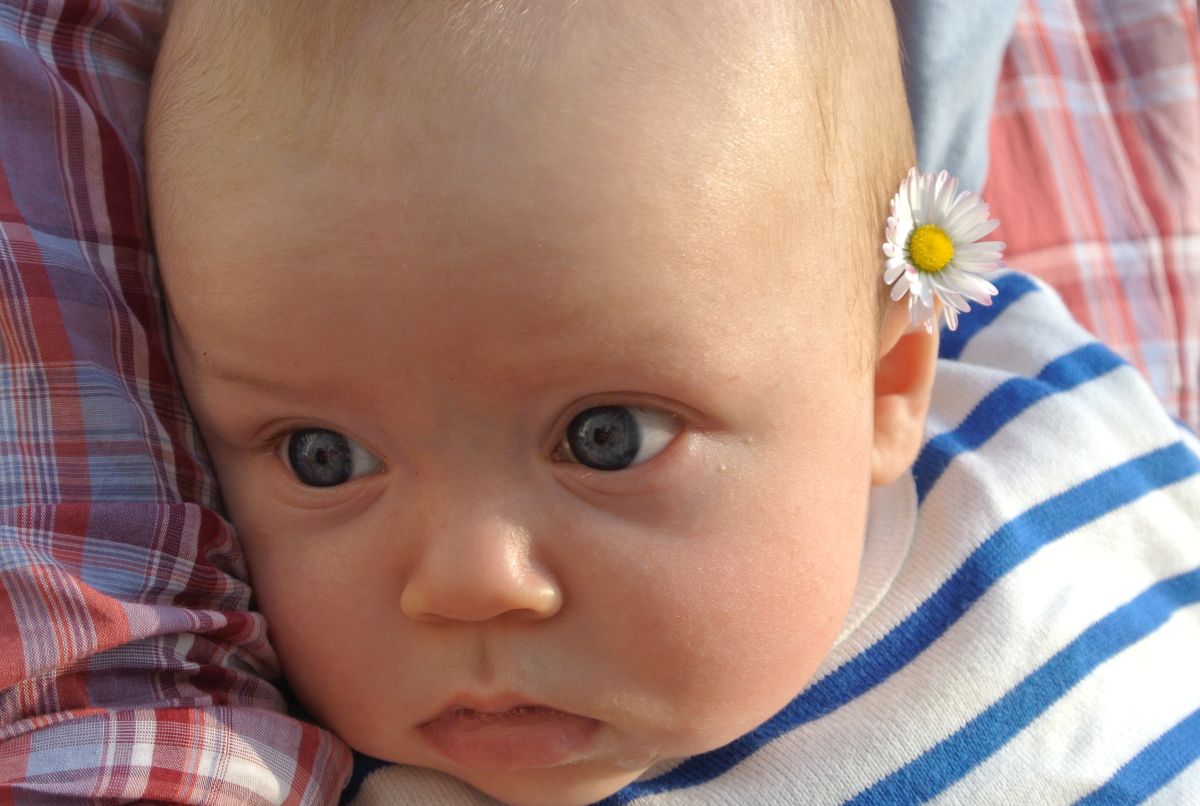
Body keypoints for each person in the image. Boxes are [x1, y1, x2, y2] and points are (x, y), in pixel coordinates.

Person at [143, 1, 1200, 804]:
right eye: (322, 455)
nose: (468, 581)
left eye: (609, 438)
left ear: (887, 384)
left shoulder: (1043, 407)